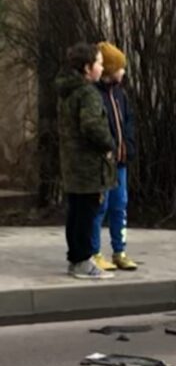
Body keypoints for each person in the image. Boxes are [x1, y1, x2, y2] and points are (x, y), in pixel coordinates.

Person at [56, 42, 116, 280]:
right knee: (86, 213)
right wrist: (109, 144)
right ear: (87, 67)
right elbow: (92, 126)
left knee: (76, 212)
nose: (102, 68)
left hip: (72, 162)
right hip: (89, 165)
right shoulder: (88, 93)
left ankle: (76, 258)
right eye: (99, 63)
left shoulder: (67, 90)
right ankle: (82, 260)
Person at [90, 41, 138, 271]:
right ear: (109, 70)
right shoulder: (95, 94)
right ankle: (95, 251)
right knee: (101, 206)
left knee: (120, 205)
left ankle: (120, 250)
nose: (123, 72)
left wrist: (128, 145)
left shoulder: (120, 94)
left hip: (120, 161)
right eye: (119, 68)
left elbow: (128, 121)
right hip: (103, 163)